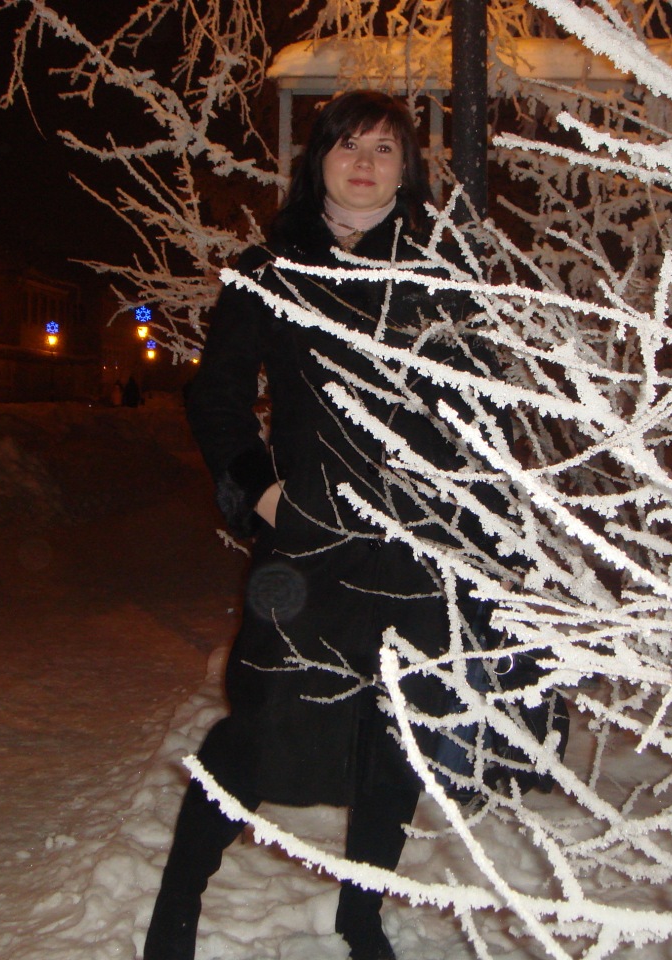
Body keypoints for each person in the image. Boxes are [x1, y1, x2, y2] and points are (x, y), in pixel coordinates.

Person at [145, 90, 498, 960]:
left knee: (396, 734)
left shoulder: (441, 271)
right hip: (310, 543)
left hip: (414, 543)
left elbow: (481, 410)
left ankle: (361, 915)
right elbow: (217, 397)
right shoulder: (271, 270)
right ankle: (177, 905)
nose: (365, 163)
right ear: (320, 161)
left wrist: (477, 524)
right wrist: (262, 495)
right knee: (260, 726)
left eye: (384, 148)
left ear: (407, 169)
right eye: (348, 145)